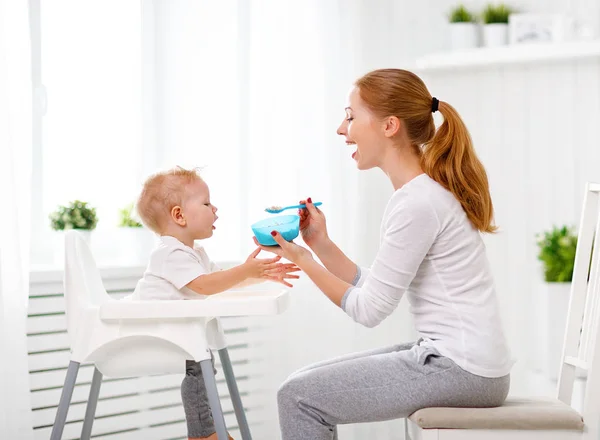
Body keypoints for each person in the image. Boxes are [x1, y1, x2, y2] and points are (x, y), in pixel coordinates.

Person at [256, 68, 513, 440]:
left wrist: (303, 261)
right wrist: (319, 243)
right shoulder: (421, 195)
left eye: (350, 116)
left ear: (390, 125)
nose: (342, 129)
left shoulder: (418, 203)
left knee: (298, 397)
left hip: (463, 369)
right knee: (299, 384)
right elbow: (375, 288)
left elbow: (369, 310)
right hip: (467, 363)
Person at [133, 166, 300, 440]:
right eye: (207, 203)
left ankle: (207, 430)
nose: (215, 209)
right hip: (146, 330)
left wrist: (258, 274)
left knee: (204, 362)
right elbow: (204, 285)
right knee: (200, 364)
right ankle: (203, 434)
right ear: (179, 215)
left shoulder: (193, 252)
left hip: (176, 331)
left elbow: (219, 280)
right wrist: (247, 271)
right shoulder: (169, 253)